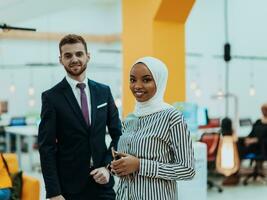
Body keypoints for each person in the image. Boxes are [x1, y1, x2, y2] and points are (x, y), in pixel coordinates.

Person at [38, 34, 122, 200]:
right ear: (61, 59)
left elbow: (118, 134)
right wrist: (54, 192)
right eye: (68, 55)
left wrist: (108, 167)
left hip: (103, 183)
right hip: (69, 188)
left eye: (79, 54)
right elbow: (46, 148)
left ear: (87, 56)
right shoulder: (51, 97)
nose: (74, 59)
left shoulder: (103, 92)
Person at [111, 56, 195, 200]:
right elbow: (128, 163)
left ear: (159, 81)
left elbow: (187, 170)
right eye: (132, 80)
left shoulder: (172, 117)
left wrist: (140, 165)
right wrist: (117, 167)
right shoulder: (129, 119)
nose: (137, 86)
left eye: (146, 80)